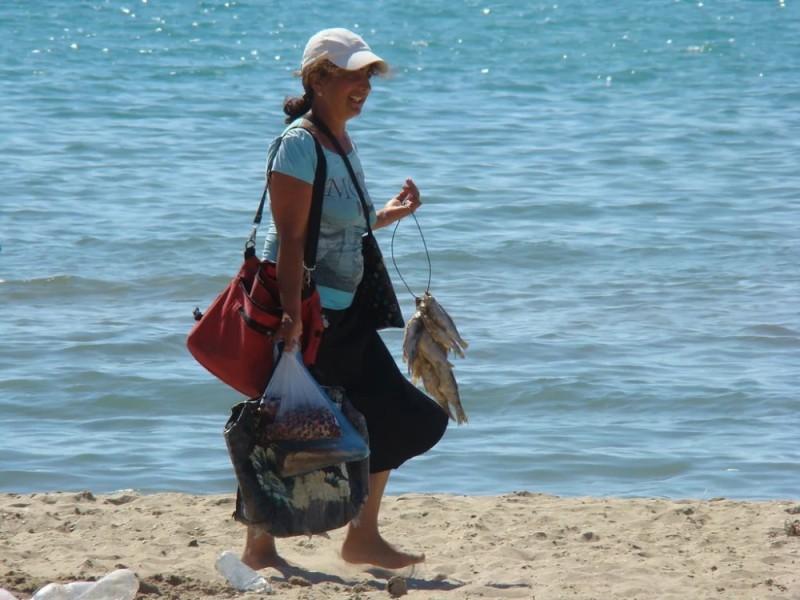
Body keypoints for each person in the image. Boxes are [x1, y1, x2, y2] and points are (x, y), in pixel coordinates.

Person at [240, 28, 449, 571]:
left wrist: (389, 215)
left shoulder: (340, 142)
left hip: (342, 312)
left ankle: (360, 537)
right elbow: (289, 237)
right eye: (351, 75)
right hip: (306, 313)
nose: (362, 86)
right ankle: (260, 548)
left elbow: (339, 226)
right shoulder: (299, 143)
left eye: (367, 76)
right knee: (284, 424)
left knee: (411, 419)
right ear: (318, 79)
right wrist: (290, 317)